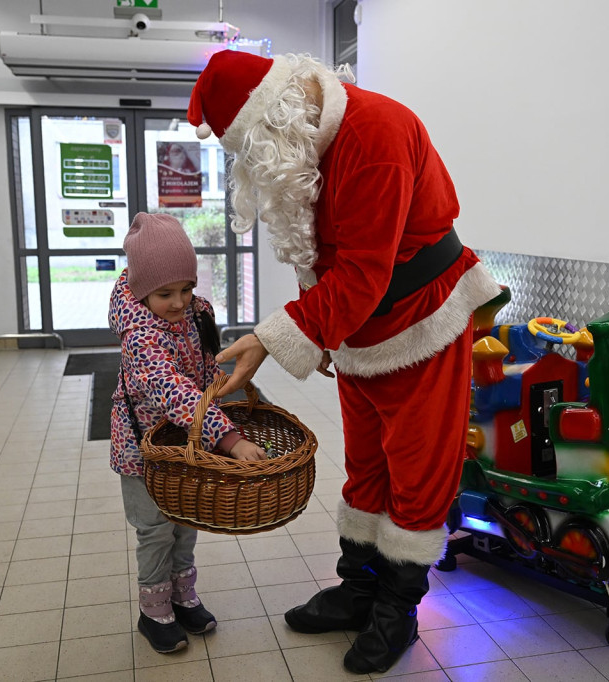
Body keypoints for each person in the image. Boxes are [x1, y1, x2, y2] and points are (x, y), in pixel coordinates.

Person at [186, 51, 502, 673]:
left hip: (422, 323)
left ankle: (397, 611)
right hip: (358, 329)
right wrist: (326, 337)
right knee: (365, 466)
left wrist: (271, 339)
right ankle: (358, 589)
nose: (252, 163)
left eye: (250, 146)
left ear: (277, 116)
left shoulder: (376, 134)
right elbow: (323, 255)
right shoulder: (310, 143)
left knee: (417, 471)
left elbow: (362, 271)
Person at [108, 211, 266, 654]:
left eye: (187, 288)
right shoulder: (139, 333)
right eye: (165, 293)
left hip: (186, 443)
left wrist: (232, 383)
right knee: (155, 528)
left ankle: (182, 595)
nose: (179, 302)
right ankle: (154, 610)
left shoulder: (196, 313)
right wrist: (229, 437)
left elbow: (205, 368)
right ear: (141, 290)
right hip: (143, 450)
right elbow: (172, 391)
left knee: (185, 520)